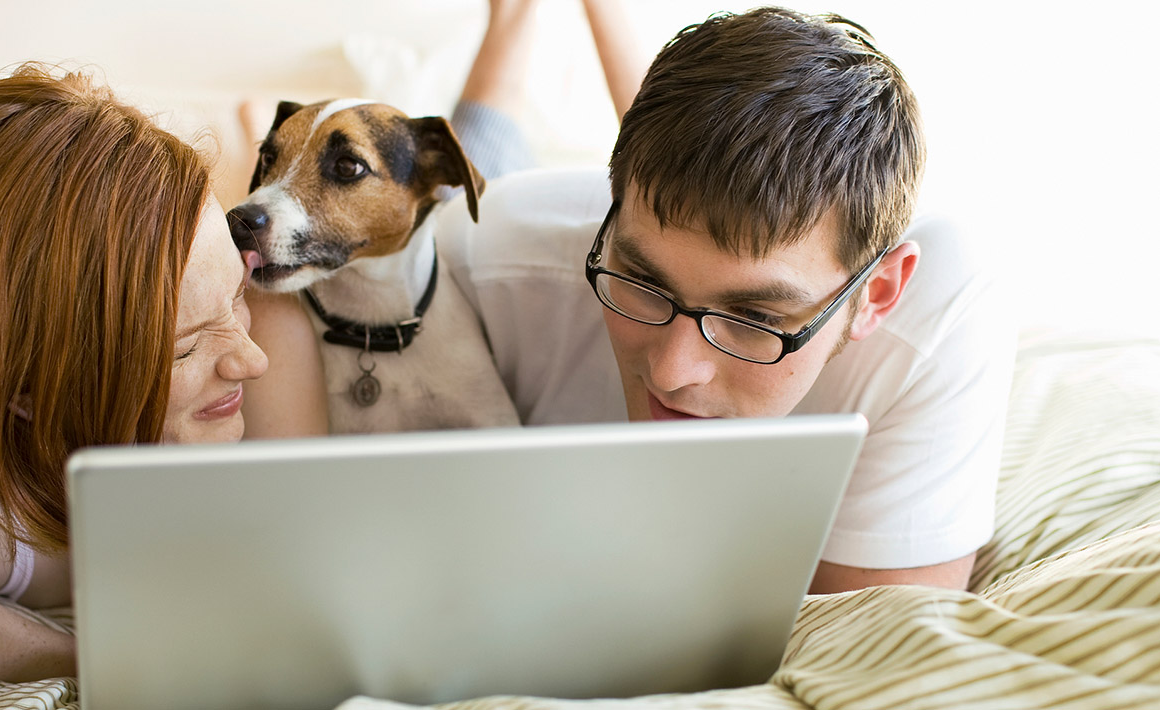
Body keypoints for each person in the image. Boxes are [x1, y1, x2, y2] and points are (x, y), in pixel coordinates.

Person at [434, 6, 1016, 593]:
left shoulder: (943, 315)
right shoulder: (477, 253)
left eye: (752, 318)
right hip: (486, 221)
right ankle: (513, 25)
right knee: (462, 172)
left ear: (878, 294)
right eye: (643, 282)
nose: (670, 373)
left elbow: (876, 636)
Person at [0, 65, 327, 709]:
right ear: (28, 392)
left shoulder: (275, 334)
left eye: (236, 295)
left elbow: (306, 627)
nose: (249, 360)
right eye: (182, 348)